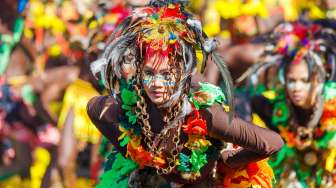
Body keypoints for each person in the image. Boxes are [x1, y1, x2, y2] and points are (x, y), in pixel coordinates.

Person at [87, 0, 283, 187]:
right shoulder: (134, 105)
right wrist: (133, 152)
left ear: (181, 73)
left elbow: (272, 143)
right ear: (139, 72)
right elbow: (94, 108)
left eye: (166, 74)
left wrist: (229, 161)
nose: (156, 83)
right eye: (149, 73)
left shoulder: (206, 116)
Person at [250, 22, 336, 187]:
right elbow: (251, 101)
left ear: (318, 81)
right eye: (291, 81)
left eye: (304, 80)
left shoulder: (333, 102)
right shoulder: (277, 106)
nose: (296, 87)